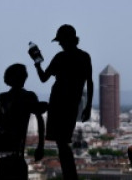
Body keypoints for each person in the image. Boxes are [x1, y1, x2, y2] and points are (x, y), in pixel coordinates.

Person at [33, 24, 93, 180]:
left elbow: (43, 78)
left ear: (67, 40)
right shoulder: (84, 57)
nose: (59, 44)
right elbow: (90, 83)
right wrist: (88, 106)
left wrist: (37, 64)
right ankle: (70, 175)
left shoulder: (60, 57)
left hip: (58, 100)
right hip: (72, 103)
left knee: (62, 143)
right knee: (63, 142)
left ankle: (70, 176)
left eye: (61, 41)